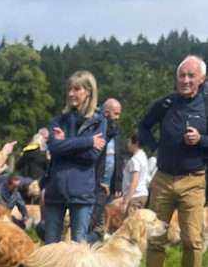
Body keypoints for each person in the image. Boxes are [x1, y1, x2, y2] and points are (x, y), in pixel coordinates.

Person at [138, 55, 208, 267]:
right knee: (157, 237)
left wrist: (201, 140)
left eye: (191, 75)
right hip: (163, 179)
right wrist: (154, 147)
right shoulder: (166, 103)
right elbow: (143, 125)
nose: (186, 80)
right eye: (182, 75)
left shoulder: (206, 105)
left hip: (193, 180)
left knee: (192, 239)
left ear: (202, 79)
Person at [43, 70, 107, 243]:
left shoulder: (99, 121)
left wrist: (66, 145)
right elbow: (55, 148)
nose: (71, 93)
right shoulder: (59, 120)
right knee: (50, 245)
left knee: (79, 245)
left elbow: (92, 156)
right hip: (55, 191)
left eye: (76, 89)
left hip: (82, 193)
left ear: (88, 91)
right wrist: (87, 141)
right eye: (69, 89)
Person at [88, 98, 123, 243]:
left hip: (108, 186)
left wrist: (118, 185)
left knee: (99, 224)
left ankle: (94, 248)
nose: (118, 117)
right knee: (92, 222)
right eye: (115, 114)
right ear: (106, 113)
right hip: (96, 184)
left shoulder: (117, 134)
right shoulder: (97, 129)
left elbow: (119, 160)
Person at [120, 131, 150, 215]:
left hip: (135, 196)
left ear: (136, 143)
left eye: (129, 142)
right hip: (142, 194)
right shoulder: (143, 155)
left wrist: (125, 202)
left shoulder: (135, 160)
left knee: (131, 224)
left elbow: (134, 181)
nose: (127, 145)